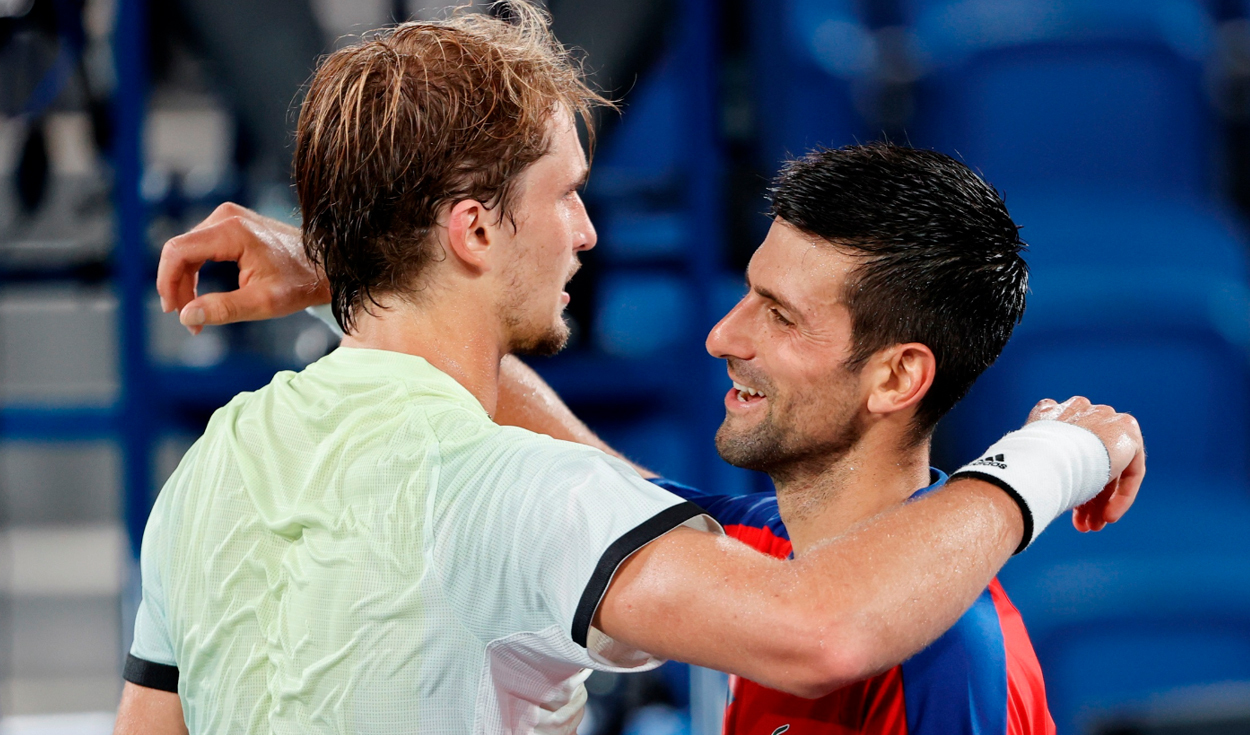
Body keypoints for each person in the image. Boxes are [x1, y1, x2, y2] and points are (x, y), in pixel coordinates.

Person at [121, 6, 1144, 735]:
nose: (586, 229)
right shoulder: (548, 504)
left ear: (895, 377)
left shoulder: (212, 472)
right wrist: (1057, 454)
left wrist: (368, 267)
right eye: (564, 191)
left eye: (776, 313)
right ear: (472, 229)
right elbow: (816, 623)